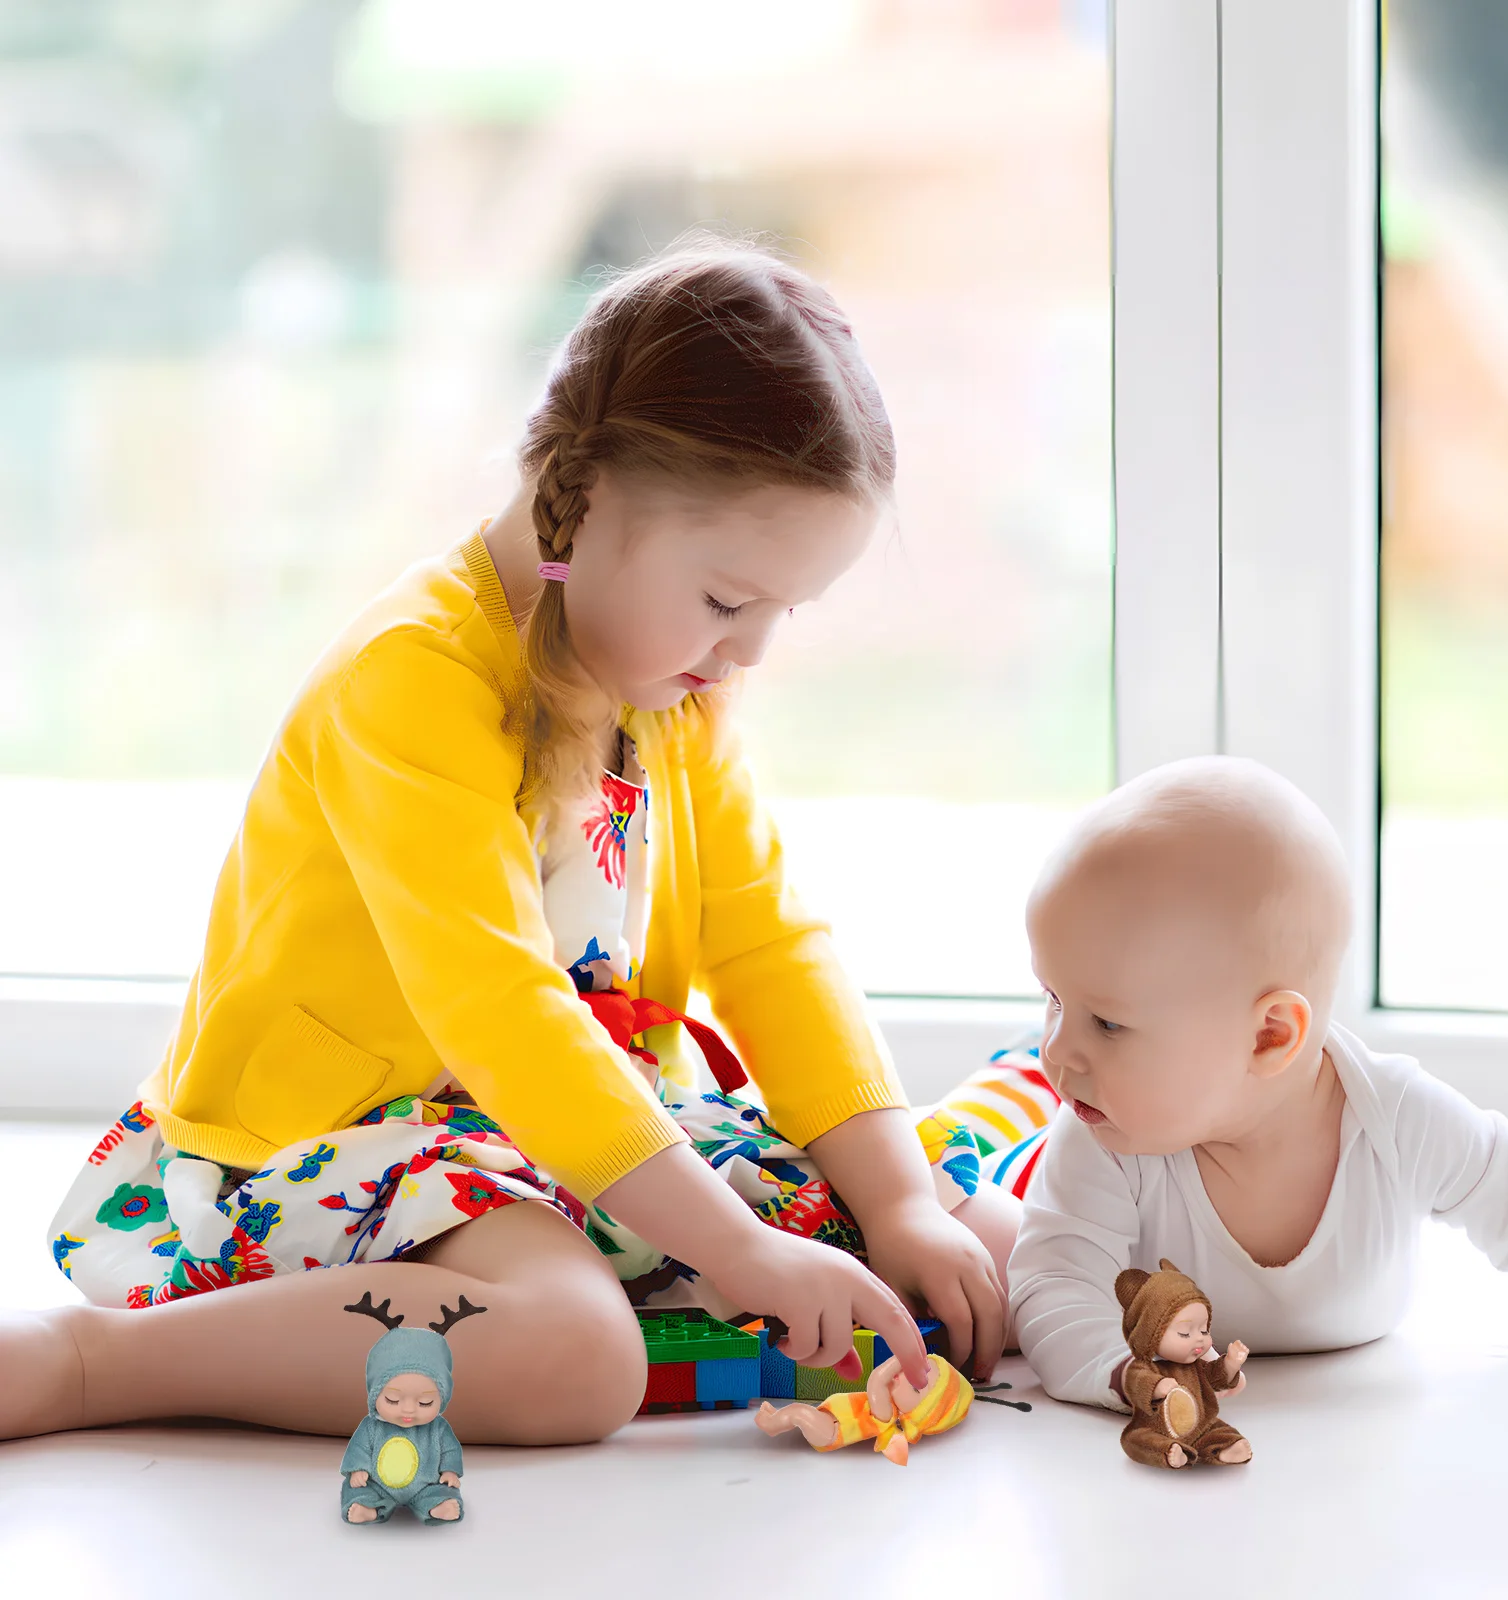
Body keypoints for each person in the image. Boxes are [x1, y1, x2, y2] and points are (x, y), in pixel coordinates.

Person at [7, 240, 1021, 1445]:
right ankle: (96, 1365)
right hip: (370, 1135)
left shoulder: (672, 684)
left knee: (979, 1246)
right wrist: (740, 1247)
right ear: (584, 501)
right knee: (571, 1357)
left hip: (584, 1122)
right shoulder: (410, 680)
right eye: (727, 601)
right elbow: (500, 1011)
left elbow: (771, 944)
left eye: (779, 615)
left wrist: (899, 1200)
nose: (747, 653)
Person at [1007, 755, 1508, 1409]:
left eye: (1108, 1024)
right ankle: (995, 1098)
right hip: (1028, 1172)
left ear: (1269, 1037)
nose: (1057, 1047)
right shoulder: (1102, 1130)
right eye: (1053, 998)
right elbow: (1053, 1283)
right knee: (986, 1222)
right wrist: (1125, 1376)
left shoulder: (1395, 1120)